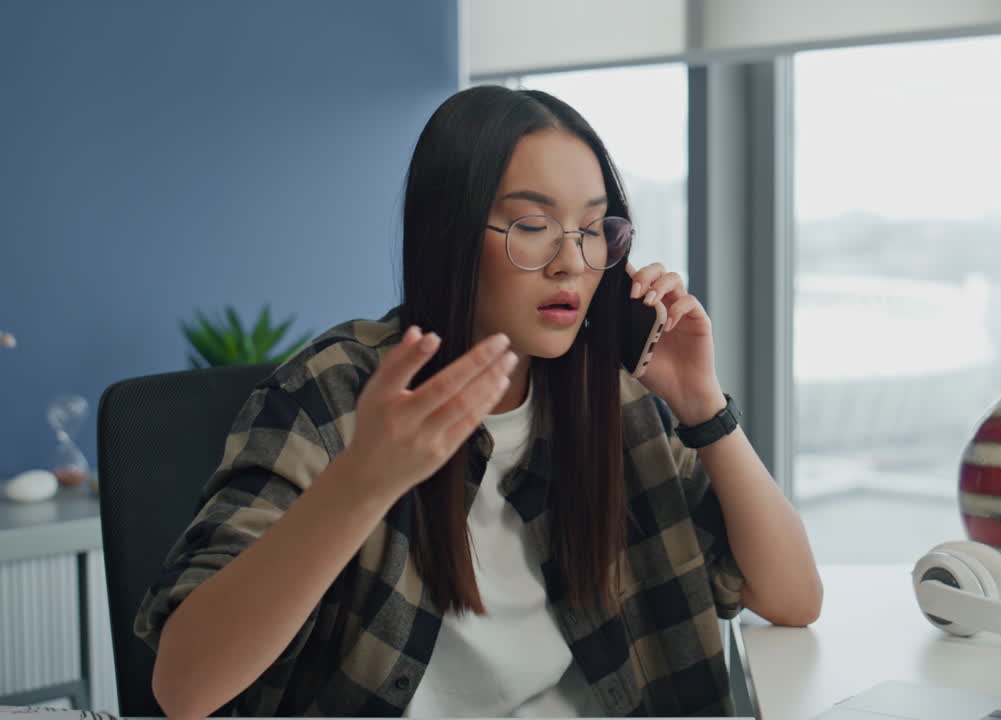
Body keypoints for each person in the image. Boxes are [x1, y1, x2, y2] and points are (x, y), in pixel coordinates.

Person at [135, 85, 822, 719]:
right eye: (532, 226)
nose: (571, 263)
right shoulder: (335, 393)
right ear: (451, 234)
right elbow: (185, 687)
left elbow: (792, 597)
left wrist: (703, 405)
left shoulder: (608, 393)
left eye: (592, 229)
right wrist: (362, 483)